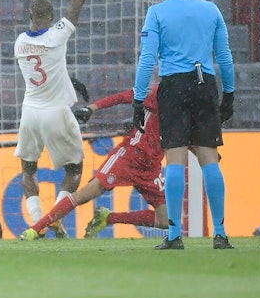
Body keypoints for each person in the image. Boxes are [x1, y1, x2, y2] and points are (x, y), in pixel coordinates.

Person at [134, 0, 235, 250]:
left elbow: (147, 59)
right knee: (209, 158)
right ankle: (220, 233)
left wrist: (139, 99)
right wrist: (229, 93)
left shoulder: (157, 13)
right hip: (204, 84)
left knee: (174, 158)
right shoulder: (210, 10)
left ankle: (175, 235)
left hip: (174, 87)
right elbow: (224, 56)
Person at [12, 0, 86, 239]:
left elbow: (44, 67)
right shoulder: (58, 36)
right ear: (54, 18)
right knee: (74, 170)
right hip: (56, 112)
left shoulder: (19, 42)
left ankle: (36, 222)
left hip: (30, 112)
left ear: (29, 15)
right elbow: (78, 1)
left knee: (28, 168)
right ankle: (54, 218)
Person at [19, 88, 167, 240]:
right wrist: (91, 108)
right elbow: (123, 97)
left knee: (167, 219)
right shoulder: (159, 94)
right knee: (86, 194)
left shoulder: (188, 112)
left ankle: (108, 218)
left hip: (151, 169)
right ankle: (36, 229)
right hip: (129, 157)